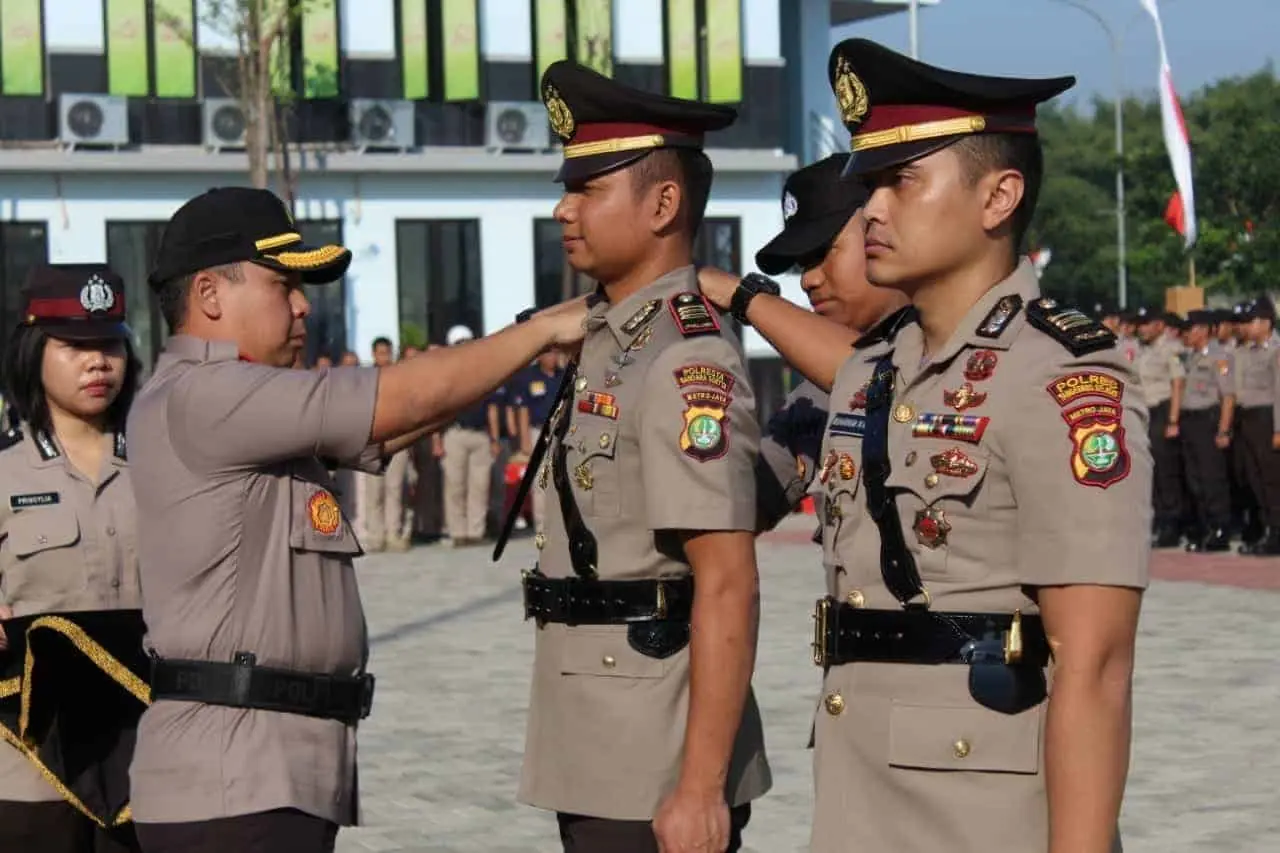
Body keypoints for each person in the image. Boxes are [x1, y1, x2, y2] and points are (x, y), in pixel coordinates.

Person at [698, 38, 1151, 853]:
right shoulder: (876, 366)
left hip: (988, 812)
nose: (872, 209)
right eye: (871, 184)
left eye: (902, 181)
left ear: (998, 197)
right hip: (859, 790)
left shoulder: (1062, 375)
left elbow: (1096, 664)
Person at [125, 186, 587, 853]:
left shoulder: (240, 400)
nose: (302, 304)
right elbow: (403, 396)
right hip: (235, 780)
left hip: (267, 770)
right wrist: (543, 328)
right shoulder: (206, 392)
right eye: (283, 284)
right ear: (210, 293)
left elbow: (406, 417)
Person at [511, 61, 771, 853]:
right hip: (595, 724)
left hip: (653, 743)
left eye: (589, 187)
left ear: (663, 204)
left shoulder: (685, 358)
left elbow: (726, 577)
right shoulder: (610, 337)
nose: (564, 207)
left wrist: (699, 788)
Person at [0, 265, 145, 853]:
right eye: (74, 346)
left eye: (109, 345)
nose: (97, 362)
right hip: (28, 755)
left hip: (144, 748)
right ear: (34, 351)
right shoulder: (5, 471)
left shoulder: (165, 465)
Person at [751, 153, 909, 532]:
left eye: (823, 253)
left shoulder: (952, 356)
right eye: (803, 264)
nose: (808, 280)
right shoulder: (818, 393)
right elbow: (736, 509)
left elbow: (883, 379)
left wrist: (745, 300)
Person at [1177, 309, 1236, 552]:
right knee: (1194, 479)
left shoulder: (1219, 358)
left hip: (1207, 419)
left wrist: (1223, 430)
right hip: (1189, 420)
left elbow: (1228, 397)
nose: (1186, 334)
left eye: (1189, 330)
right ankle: (1204, 529)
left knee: (1212, 478)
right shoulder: (1189, 358)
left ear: (1202, 330)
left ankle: (1220, 528)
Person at [439, 324, 500, 547]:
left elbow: (492, 408)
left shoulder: (484, 370)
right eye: (459, 343)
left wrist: (494, 438)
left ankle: (476, 531)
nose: (464, 346)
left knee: (480, 485)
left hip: (480, 434)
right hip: (455, 433)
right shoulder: (445, 373)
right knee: (455, 485)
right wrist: (437, 439)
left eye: (467, 342)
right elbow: (439, 410)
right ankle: (458, 532)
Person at [1134, 306, 1186, 548]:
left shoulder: (1171, 349)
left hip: (1163, 410)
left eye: (1147, 323)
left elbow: (1177, 384)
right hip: (1144, 412)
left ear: (1159, 325)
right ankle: (1160, 520)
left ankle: (1172, 525)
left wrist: (1173, 420)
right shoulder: (1141, 350)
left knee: (1167, 471)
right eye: (1140, 324)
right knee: (1151, 470)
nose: (1142, 328)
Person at [1231, 296, 1280, 554]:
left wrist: (1278, 429)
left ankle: (1277, 534)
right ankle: (1266, 531)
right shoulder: (1245, 351)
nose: (1245, 327)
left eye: (1250, 321)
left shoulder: (1276, 350)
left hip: (1267, 418)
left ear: (1265, 322)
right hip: (1247, 419)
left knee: (1272, 480)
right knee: (1254, 478)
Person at [356, 336, 411, 552]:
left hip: (396, 439)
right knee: (374, 492)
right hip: (371, 439)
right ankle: (376, 536)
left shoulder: (400, 378)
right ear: (373, 354)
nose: (383, 357)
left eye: (387, 353)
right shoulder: (364, 379)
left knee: (395, 489)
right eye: (380, 353)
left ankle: (393, 533)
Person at [510, 350, 567, 532]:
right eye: (549, 354)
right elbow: (523, 410)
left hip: (561, 430)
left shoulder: (563, 375)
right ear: (540, 356)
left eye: (555, 354)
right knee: (541, 478)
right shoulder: (529, 377)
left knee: (561, 476)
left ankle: (561, 523)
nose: (553, 358)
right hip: (538, 431)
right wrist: (525, 438)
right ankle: (542, 525)